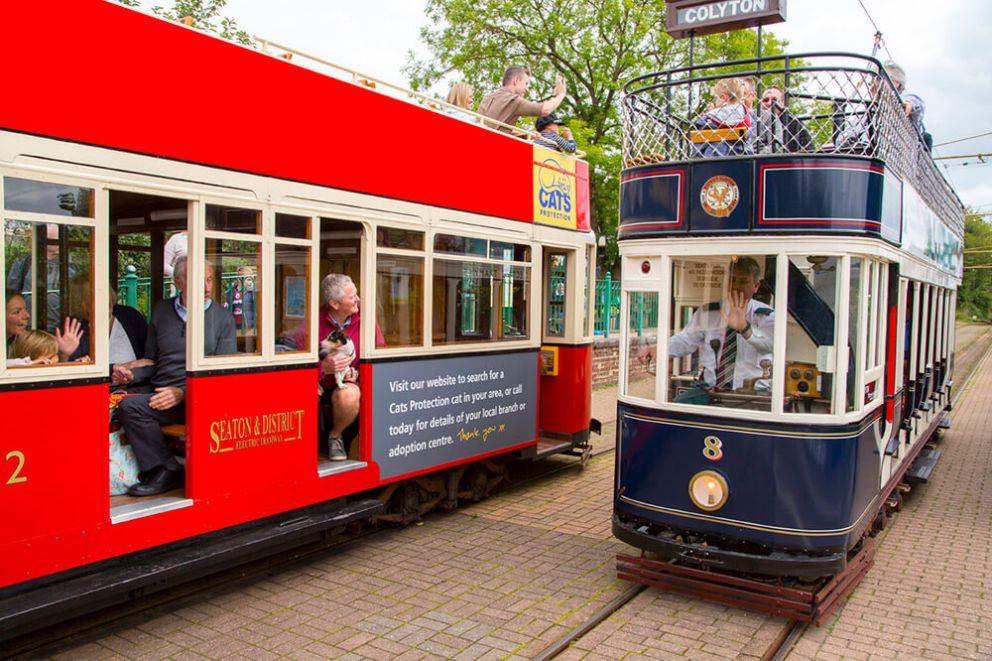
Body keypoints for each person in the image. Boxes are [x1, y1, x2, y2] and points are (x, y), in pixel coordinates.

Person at [113, 256, 236, 496]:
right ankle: (154, 469)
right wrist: (131, 375)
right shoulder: (161, 310)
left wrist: (182, 394)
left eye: (209, 280)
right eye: (199, 280)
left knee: (131, 407)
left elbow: (222, 378)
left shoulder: (223, 319)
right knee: (114, 399)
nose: (207, 288)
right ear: (178, 282)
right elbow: (152, 360)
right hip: (159, 391)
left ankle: (165, 470)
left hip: (198, 400)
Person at [639, 257, 774, 392]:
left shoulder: (766, 316)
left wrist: (745, 329)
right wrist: (660, 348)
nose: (736, 286)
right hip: (711, 391)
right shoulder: (709, 313)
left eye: (743, 281)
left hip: (753, 394)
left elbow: (771, 346)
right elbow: (686, 340)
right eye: (732, 280)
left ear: (756, 286)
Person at [318, 273, 385, 461]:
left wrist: (357, 373)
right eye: (352, 296)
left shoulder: (365, 319)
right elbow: (295, 356)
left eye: (356, 294)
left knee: (348, 396)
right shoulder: (314, 321)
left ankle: (335, 436)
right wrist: (323, 367)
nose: (358, 299)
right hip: (319, 382)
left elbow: (380, 352)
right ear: (334, 304)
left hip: (348, 382)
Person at [477, 66, 566, 132]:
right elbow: (545, 109)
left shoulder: (486, 98)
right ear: (515, 81)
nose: (527, 89)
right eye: (526, 83)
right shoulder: (514, 100)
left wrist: (523, 134)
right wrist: (561, 95)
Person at [6, 287, 84, 361]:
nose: (27, 316)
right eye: (16, 312)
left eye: (25, 309)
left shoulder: (21, 343)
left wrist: (63, 355)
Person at [693, 78, 752, 157]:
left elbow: (698, 146)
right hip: (742, 158)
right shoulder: (748, 116)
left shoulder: (708, 119)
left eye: (716, 97)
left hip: (713, 158)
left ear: (723, 97)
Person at [755, 85, 814, 154]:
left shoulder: (794, 123)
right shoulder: (753, 120)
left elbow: (809, 150)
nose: (769, 103)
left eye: (774, 100)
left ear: (782, 102)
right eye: (765, 100)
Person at [883, 61, 928, 148]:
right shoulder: (869, 108)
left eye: (878, 78)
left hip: (897, 149)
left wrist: (908, 103)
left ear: (896, 82)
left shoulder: (905, 97)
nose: (872, 82)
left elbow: (916, 103)